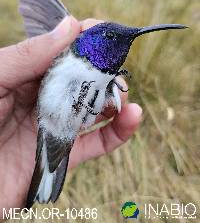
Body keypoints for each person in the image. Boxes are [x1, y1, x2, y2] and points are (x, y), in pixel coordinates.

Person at [0, 16, 142, 217]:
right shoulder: (68, 51)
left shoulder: (100, 71)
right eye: (110, 36)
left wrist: (107, 83)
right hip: (51, 119)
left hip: (71, 123)